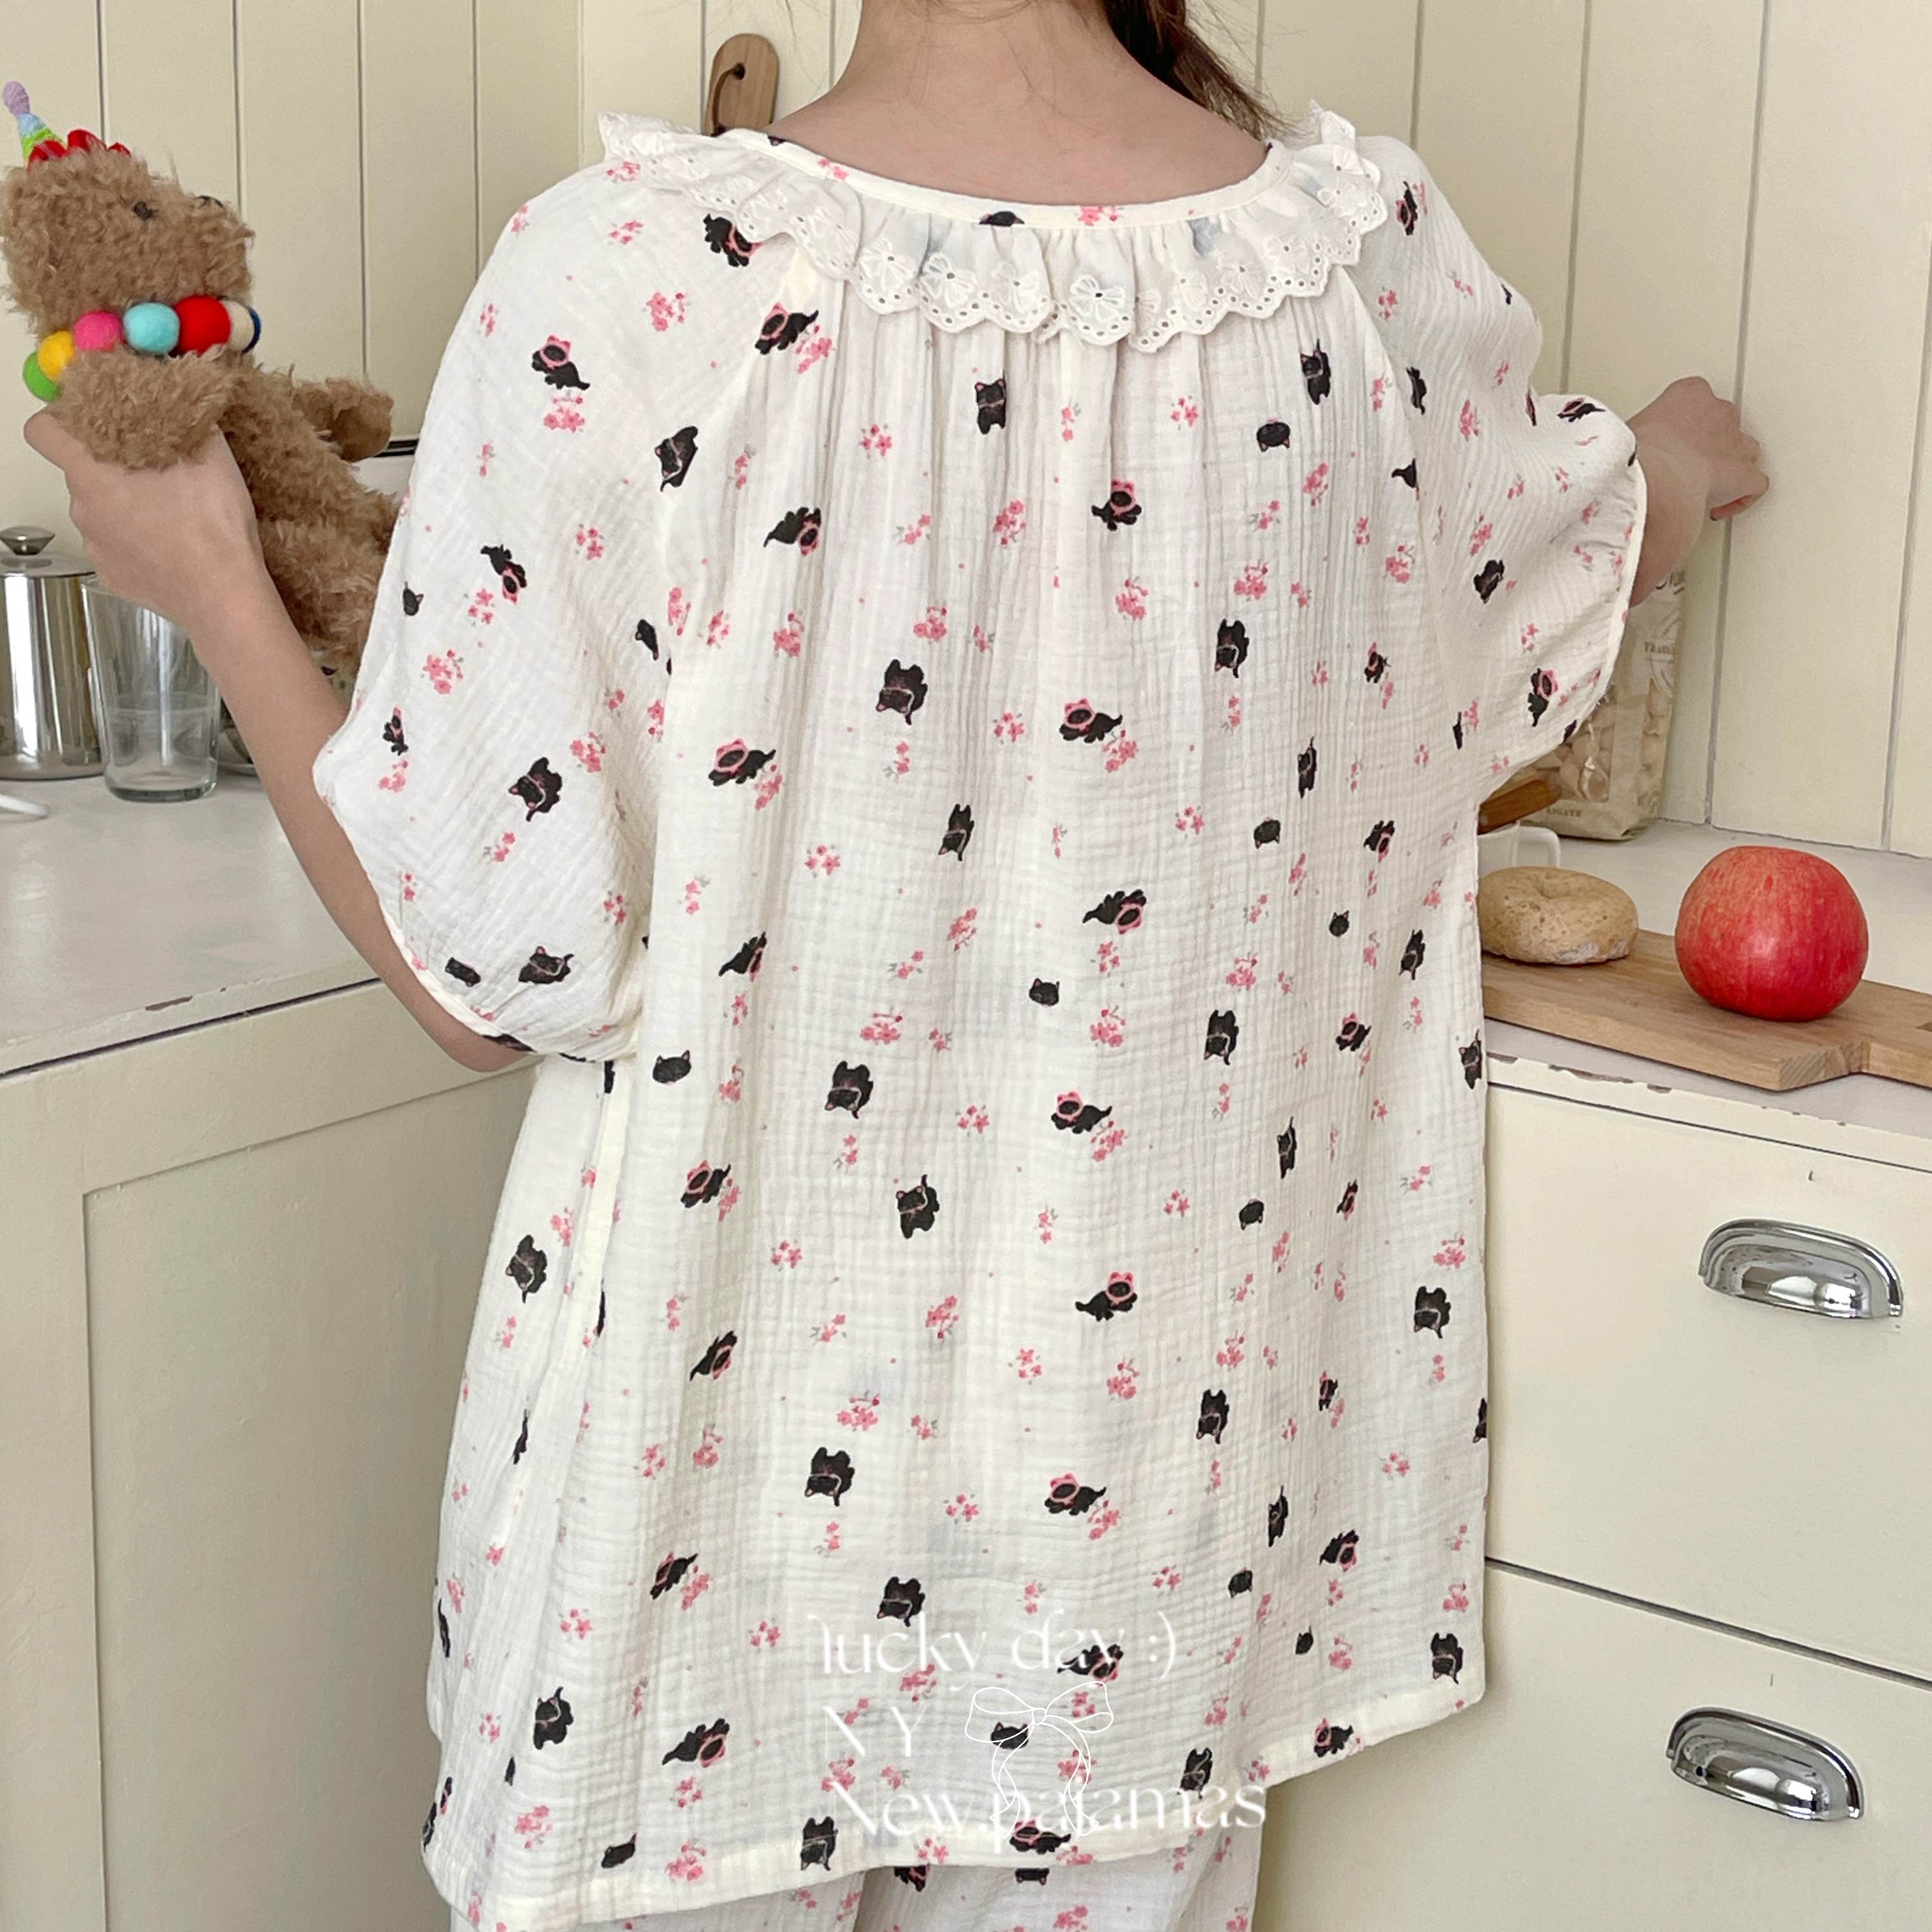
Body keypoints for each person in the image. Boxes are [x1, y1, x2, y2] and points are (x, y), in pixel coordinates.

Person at [26, 0, 1767, 1924]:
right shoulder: (1368, 279)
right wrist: (1678, 460)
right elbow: (1558, 542)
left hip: (702, 1573)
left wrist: (208, 578)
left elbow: (476, 975)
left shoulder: (630, 281)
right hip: (1132, 1576)